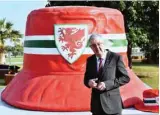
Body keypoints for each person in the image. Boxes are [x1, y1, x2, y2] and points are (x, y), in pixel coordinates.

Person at [84, 34, 130, 115]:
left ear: (103, 44)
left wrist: (106, 84)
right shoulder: (90, 60)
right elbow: (86, 78)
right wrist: (89, 82)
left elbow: (125, 78)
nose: (97, 47)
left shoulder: (116, 57)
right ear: (91, 47)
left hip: (113, 105)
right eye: (94, 45)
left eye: (99, 44)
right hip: (96, 106)